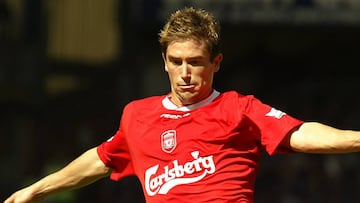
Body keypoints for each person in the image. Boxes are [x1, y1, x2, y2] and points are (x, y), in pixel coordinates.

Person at [4, 7, 360, 203]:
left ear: (216, 62)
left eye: (196, 61)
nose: (185, 73)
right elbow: (101, 158)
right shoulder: (137, 115)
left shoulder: (238, 108)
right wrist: (36, 190)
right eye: (176, 61)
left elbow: (299, 134)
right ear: (164, 61)